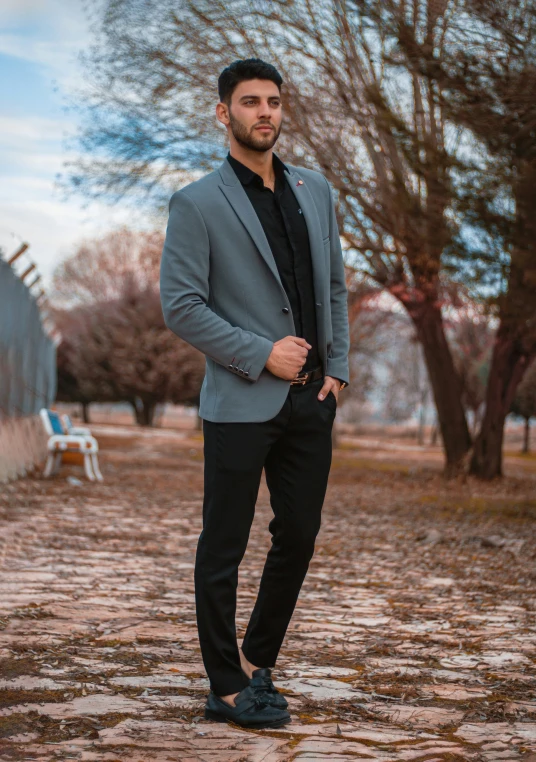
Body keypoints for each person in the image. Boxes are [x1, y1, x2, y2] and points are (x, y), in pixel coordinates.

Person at [160, 57, 350, 729]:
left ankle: (256, 660)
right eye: (249, 102)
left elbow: (332, 287)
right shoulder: (197, 202)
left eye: (273, 100)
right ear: (224, 114)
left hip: (310, 402)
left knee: (298, 533)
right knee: (224, 546)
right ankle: (226, 685)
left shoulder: (317, 190)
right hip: (241, 398)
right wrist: (258, 354)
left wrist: (338, 369)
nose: (264, 111)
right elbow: (180, 306)